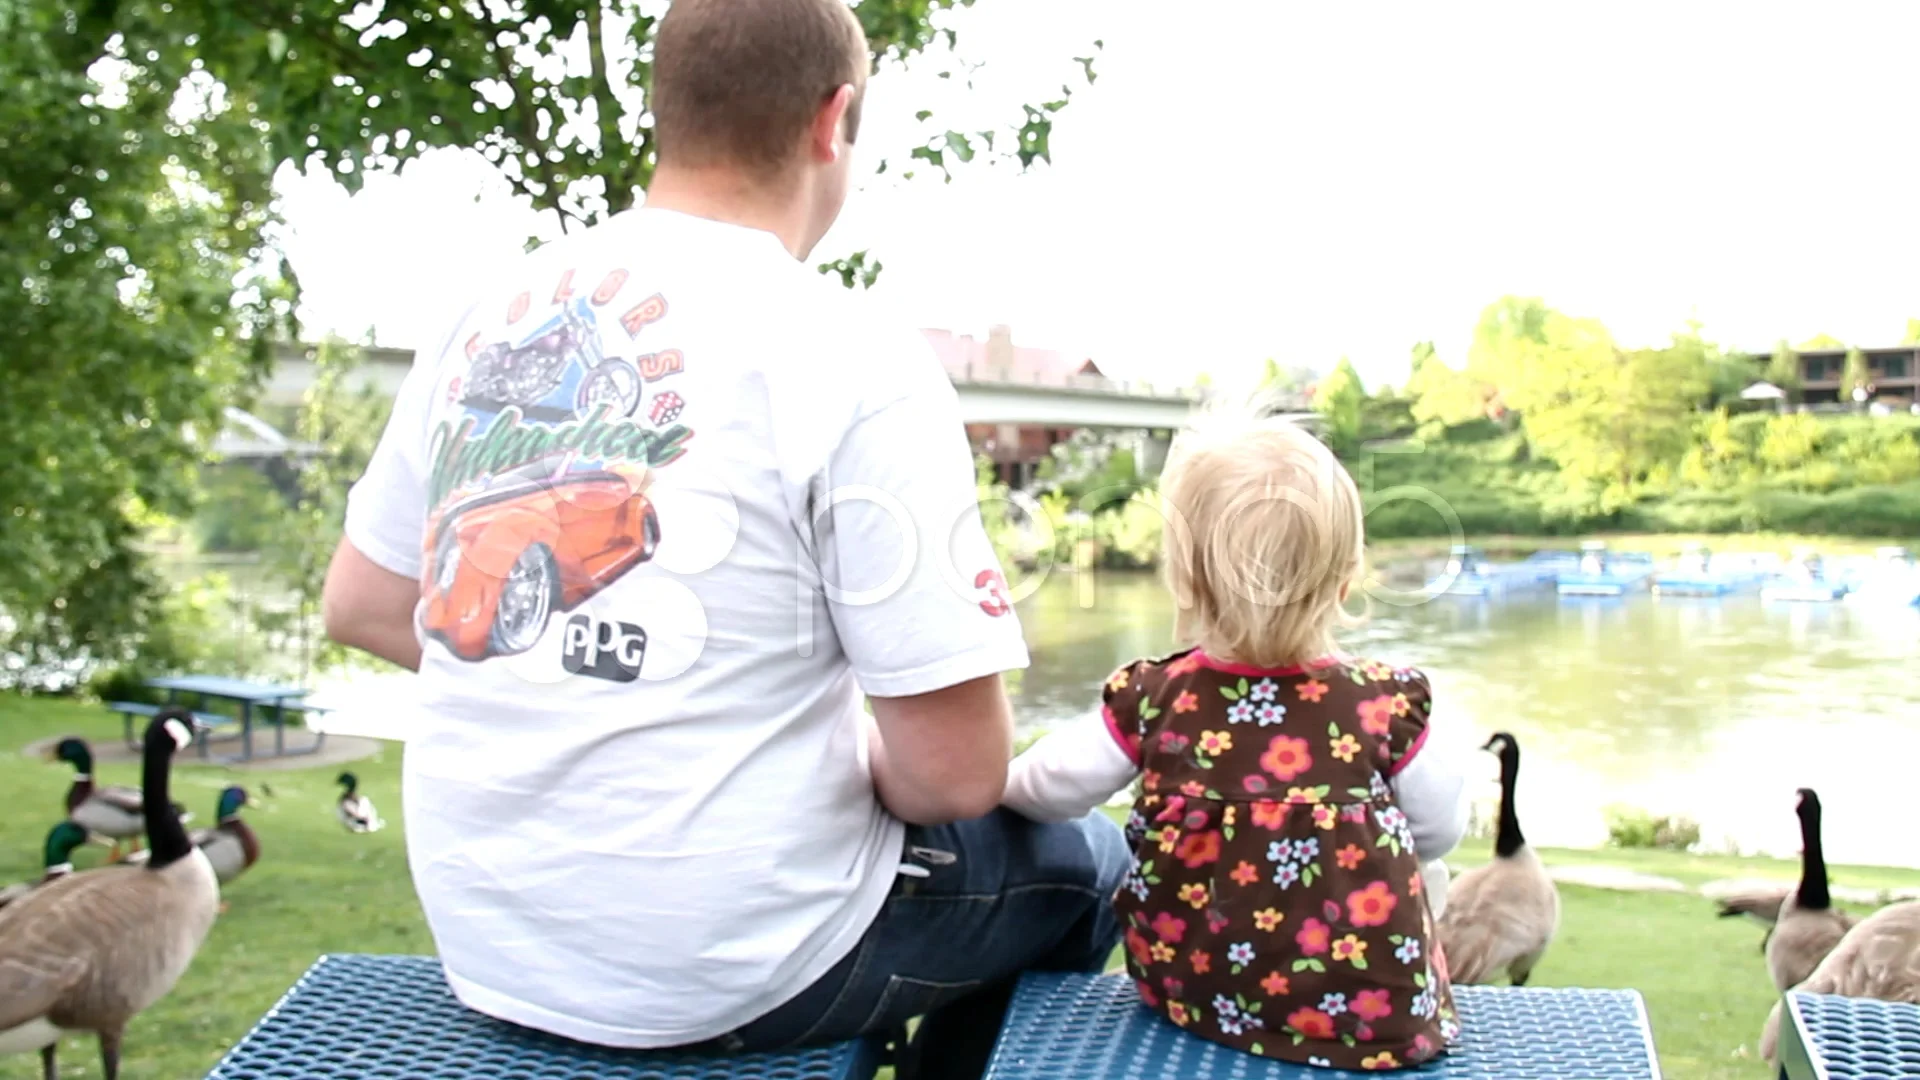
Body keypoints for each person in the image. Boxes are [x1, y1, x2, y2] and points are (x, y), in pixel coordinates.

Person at [318, 1, 1125, 1076]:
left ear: (667, 111)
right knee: (1096, 865)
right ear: (833, 121)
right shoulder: (855, 354)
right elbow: (955, 778)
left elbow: (366, 605)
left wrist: (583, 675)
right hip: (737, 969)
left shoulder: (487, 313)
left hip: (495, 948)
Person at [1001, 401, 1470, 1071]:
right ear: (1345, 583)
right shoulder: (1384, 706)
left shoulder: (1155, 700)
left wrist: (997, 782)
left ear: (1185, 580)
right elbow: (1440, 828)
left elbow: (1045, 787)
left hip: (1191, 987)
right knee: (1432, 866)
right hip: (1372, 1016)